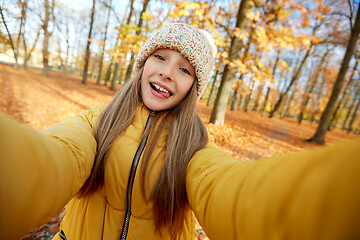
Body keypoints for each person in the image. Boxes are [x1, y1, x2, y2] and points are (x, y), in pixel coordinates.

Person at [0, 23, 359, 240]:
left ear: (193, 87)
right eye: (160, 58)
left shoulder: (196, 147)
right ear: (142, 64)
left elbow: (228, 190)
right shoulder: (99, 119)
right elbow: (54, 157)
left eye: (185, 70)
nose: (168, 73)